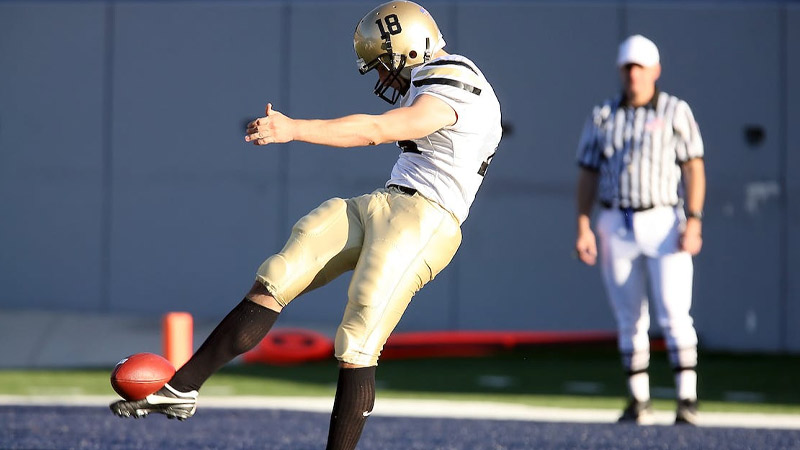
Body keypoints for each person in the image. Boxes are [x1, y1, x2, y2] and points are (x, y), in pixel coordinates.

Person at [110, 1, 502, 448]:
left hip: (427, 219)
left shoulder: (455, 74)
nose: (381, 78)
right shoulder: (430, 81)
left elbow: (378, 129)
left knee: (357, 338)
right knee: (281, 271)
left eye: (382, 65)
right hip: (389, 200)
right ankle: (181, 388)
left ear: (410, 51)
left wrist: (294, 129)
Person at [574, 34, 705, 425]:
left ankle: (686, 399)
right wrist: (583, 223)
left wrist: (694, 219)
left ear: (655, 70)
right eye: (628, 67)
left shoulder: (674, 110)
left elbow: (693, 166)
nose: (633, 75)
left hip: (664, 218)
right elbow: (587, 172)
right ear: (621, 70)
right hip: (615, 219)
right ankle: (639, 399)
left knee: (674, 312)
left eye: (640, 67)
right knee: (629, 316)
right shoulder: (603, 114)